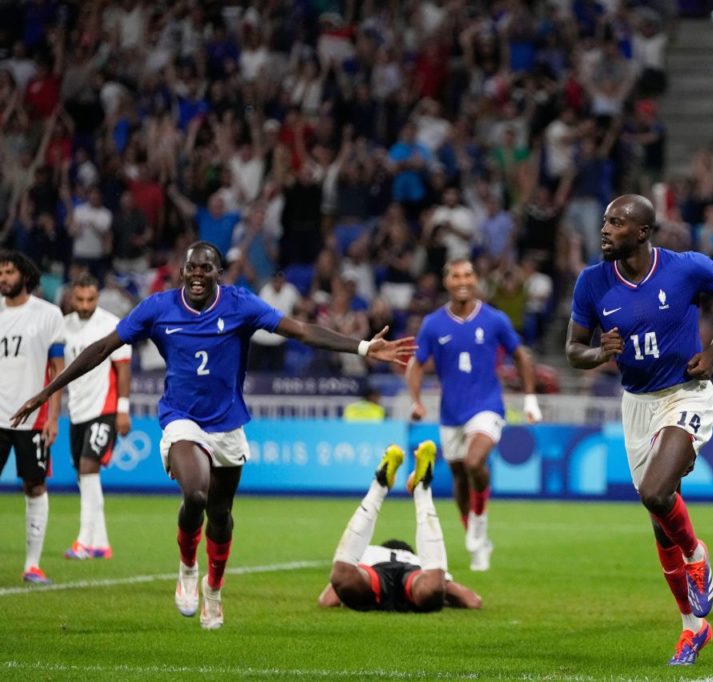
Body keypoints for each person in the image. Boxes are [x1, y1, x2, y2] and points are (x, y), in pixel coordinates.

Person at [11, 241, 415, 629]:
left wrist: (363, 348)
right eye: (192, 267)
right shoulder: (158, 307)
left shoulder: (240, 304)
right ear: (183, 271)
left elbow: (299, 330)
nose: (198, 274)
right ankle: (188, 568)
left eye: (206, 268)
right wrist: (47, 393)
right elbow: (101, 348)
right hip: (180, 418)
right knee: (197, 494)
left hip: (227, 424)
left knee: (220, 516)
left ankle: (214, 589)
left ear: (218, 273)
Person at [565, 194, 713, 666]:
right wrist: (600, 353)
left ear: (642, 232)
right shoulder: (591, 283)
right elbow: (573, 350)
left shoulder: (684, 268)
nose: (605, 229)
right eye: (604, 220)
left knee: (654, 492)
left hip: (685, 393)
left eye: (616, 222)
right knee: (658, 518)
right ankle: (693, 628)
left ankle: (696, 553)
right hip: (637, 404)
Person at [405, 258, 543, 572]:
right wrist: (415, 400)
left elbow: (520, 355)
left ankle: (479, 523)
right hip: (451, 413)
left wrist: (530, 399)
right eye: (456, 275)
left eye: (468, 274)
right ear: (447, 282)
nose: (463, 280)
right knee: (458, 476)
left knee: (474, 462)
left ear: (476, 279)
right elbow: (416, 363)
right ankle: (478, 541)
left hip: (488, 406)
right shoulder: (433, 324)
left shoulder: (494, 320)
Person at [317, 440, 482, 612]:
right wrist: (444, 597)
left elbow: (327, 600)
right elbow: (472, 600)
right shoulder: (417, 560)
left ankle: (379, 487)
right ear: (410, 552)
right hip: (413, 576)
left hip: (373, 574)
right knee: (432, 588)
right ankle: (422, 491)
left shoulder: (369, 552)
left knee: (344, 576)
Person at [0, 250, 65, 585]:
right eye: (0, 273)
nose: (3, 278)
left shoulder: (48, 315)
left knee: (35, 485)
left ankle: (32, 565)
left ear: (24, 275)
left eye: (8, 272)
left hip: (33, 418)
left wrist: (53, 417)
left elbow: (57, 372)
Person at [61, 273, 132, 560]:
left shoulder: (111, 326)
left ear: (97, 297)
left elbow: (124, 369)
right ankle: (101, 543)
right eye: (80, 299)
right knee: (83, 475)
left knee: (89, 467)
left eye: (91, 299)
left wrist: (123, 410)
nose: (86, 304)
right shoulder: (63, 327)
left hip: (104, 409)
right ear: (71, 298)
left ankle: (84, 541)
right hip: (77, 410)